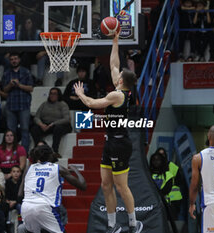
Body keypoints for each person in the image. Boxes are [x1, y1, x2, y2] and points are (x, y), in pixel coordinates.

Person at [73, 31, 142, 233]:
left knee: (121, 187)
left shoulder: (117, 95)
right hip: (111, 141)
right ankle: (112, 225)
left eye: (119, 75)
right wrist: (115, 41)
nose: (116, 74)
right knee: (105, 185)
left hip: (119, 143)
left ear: (121, 81)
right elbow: (113, 64)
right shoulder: (122, 90)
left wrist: (80, 94)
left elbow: (92, 103)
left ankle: (132, 223)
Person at [19, 145, 86, 233]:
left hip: (26, 207)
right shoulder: (58, 168)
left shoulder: (29, 168)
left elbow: (20, 194)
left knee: (27, 229)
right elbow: (83, 186)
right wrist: (76, 170)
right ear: (50, 156)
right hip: (45, 207)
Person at [1, 52, 33, 152]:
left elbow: (30, 88)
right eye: (12, 59)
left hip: (23, 105)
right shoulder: (6, 73)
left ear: (19, 60)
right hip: (10, 106)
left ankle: (24, 152)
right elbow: (4, 90)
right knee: (11, 132)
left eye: (15, 59)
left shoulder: (26, 72)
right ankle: (11, 152)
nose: (14, 61)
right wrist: (10, 85)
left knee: (24, 129)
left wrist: (19, 85)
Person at [30, 87, 72, 153]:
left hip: (59, 125)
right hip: (45, 124)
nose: (52, 95)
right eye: (51, 94)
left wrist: (53, 124)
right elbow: (36, 117)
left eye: (54, 94)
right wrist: (41, 124)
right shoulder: (44, 104)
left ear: (58, 95)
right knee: (34, 129)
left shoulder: (63, 104)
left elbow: (66, 119)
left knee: (58, 129)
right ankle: (38, 149)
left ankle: (54, 151)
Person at [149, 148, 183, 218]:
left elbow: (179, 181)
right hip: (155, 202)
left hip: (172, 200)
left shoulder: (171, 168)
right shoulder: (148, 173)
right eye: (159, 154)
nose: (157, 161)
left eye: (162, 154)